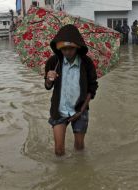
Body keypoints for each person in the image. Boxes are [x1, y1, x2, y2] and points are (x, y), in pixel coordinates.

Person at [44, 24, 98, 156]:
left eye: (71, 48)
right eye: (63, 49)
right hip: (59, 110)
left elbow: (92, 88)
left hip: (80, 109)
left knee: (79, 147)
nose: (67, 52)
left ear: (78, 47)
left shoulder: (86, 63)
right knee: (58, 150)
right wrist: (49, 79)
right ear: (59, 48)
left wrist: (81, 111)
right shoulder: (53, 62)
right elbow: (47, 86)